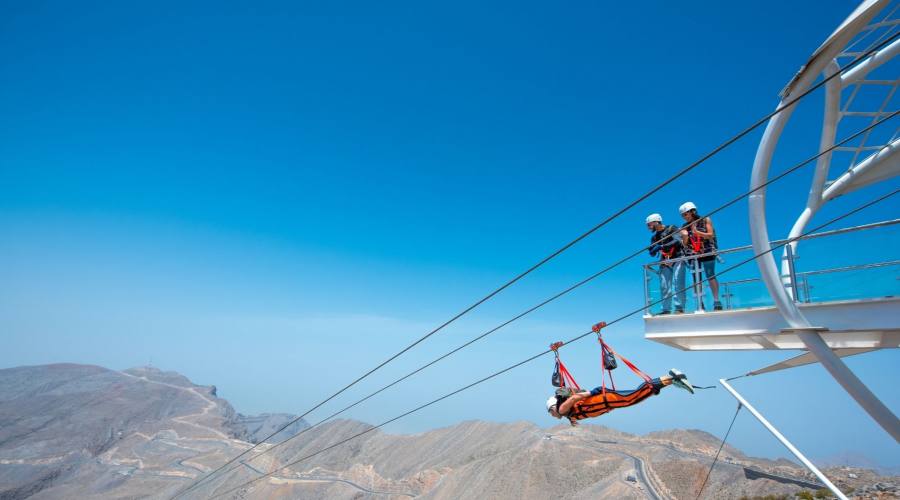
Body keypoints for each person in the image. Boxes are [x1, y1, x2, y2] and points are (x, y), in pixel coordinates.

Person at [546, 369, 694, 425]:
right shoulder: (568, 414)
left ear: (553, 407)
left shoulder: (562, 410)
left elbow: (573, 399)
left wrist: (591, 393)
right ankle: (670, 381)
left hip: (604, 399)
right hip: (607, 402)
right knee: (634, 398)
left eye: (550, 412)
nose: (552, 415)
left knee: (633, 397)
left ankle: (670, 377)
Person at [679, 201, 722, 311]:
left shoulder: (705, 220)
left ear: (692, 212)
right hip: (693, 254)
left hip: (707, 251)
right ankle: (699, 303)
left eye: (685, 214)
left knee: (710, 275)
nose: (684, 217)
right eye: (682, 215)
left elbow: (710, 235)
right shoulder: (684, 226)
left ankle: (717, 301)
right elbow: (685, 244)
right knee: (696, 279)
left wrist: (697, 232)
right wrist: (684, 237)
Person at [646, 213, 685, 315]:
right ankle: (666, 309)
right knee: (665, 286)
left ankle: (679, 307)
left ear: (656, 222)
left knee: (678, 283)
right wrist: (652, 250)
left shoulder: (671, 228)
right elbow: (653, 252)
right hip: (665, 261)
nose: (649, 227)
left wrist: (661, 246)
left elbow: (677, 241)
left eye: (649, 224)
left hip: (677, 257)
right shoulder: (654, 238)